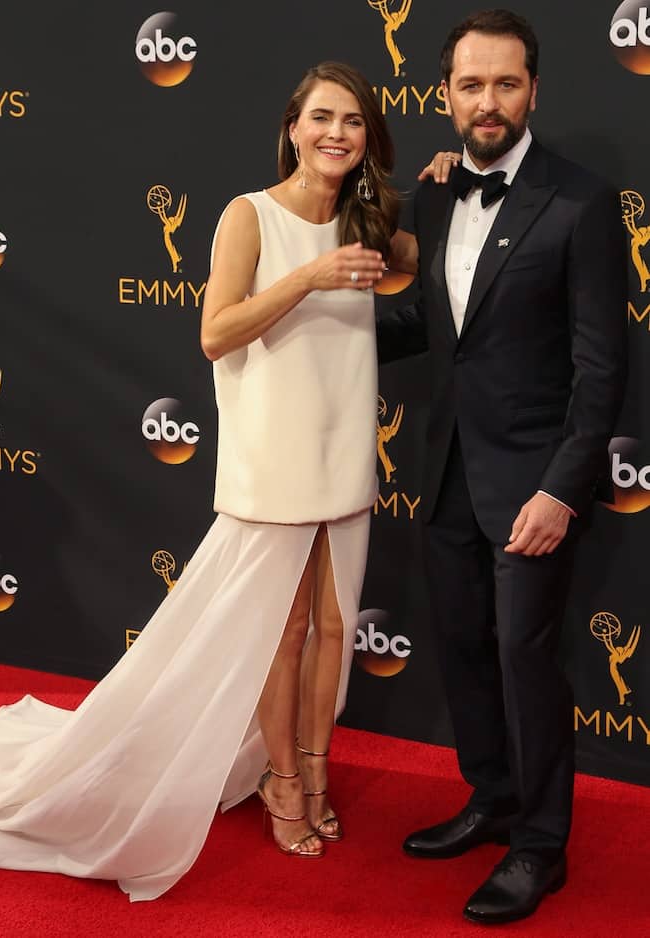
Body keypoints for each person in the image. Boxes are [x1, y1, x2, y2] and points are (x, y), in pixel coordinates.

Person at [0, 61, 412, 901]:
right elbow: (216, 333)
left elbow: (441, 252)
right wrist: (307, 276)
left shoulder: (370, 219)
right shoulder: (251, 215)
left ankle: (315, 774)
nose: (336, 133)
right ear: (293, 126)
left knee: (337, 625)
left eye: (352, 120)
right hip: (272, 447)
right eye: (321, 118)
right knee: (287, 625)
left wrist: (447, 182)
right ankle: (280, 782)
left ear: (368, 137)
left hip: (344, 441)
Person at [377, 9, 627, 926]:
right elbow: (436, 328)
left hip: (532, 481)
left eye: (506, 83)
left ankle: (540, 845)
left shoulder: (581, 202)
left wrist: (563, 487)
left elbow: (604, 366)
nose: (488, 102)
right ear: (445, 95)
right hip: (444, 471)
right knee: (466, 651)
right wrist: (319, 328)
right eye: (471, 85)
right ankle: (490, 798)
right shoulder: (435, 195)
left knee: (527, 659)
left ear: (534, 91)